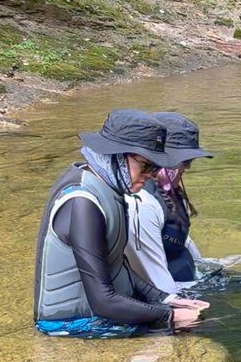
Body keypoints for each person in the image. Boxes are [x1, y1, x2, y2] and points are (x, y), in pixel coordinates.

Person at [33, 109, 208, 338]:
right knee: (207, 326)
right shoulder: (82, 202)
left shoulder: (108, 190)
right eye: (147, 166)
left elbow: (118, 267)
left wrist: (166, 299)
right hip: (73, 324)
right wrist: (169, 315)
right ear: (115, 156)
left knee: (205, 317)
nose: (152, 175)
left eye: (157, 167)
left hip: (101, 314)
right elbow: (103, 301)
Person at [125, 111, 216, 298]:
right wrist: (180, 305)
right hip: (171, 295)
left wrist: (213, 265)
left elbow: (183, 240)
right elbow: (152, 277)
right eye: (186, 161)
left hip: (191, 283)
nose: (188, 167)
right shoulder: (143, 203)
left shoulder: (172, 192)